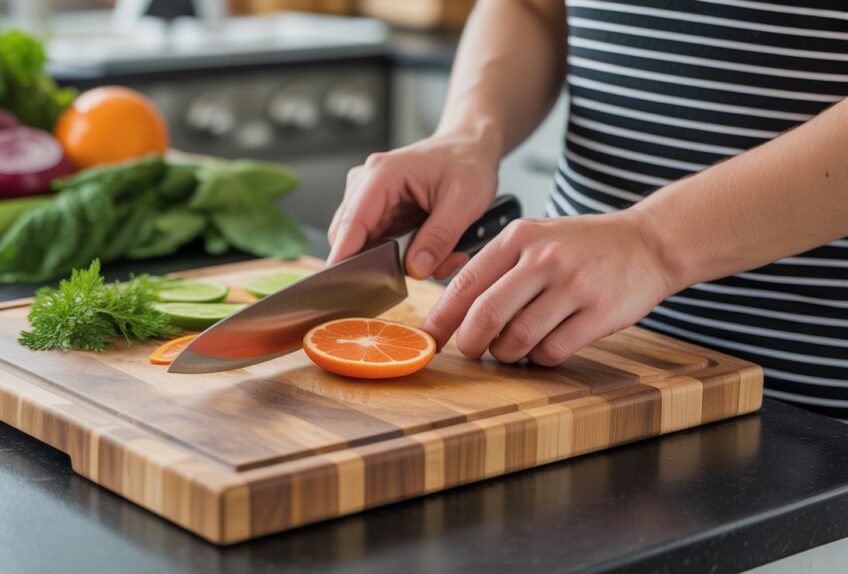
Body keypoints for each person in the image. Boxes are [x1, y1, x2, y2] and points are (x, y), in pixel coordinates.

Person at [326, 1, 848, 419]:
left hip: (805, 407)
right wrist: (469, 133)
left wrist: (653, 243)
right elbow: (536, 8)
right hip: (571, 369)